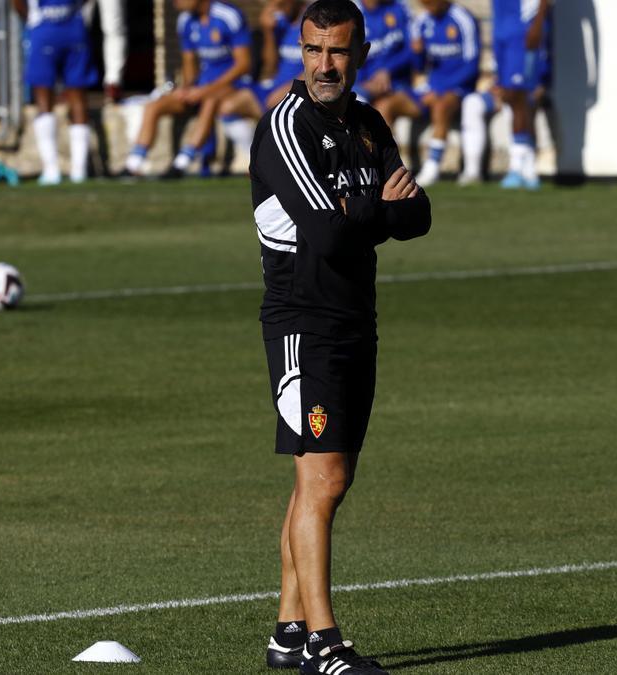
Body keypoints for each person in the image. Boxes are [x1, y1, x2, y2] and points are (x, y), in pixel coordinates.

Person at [250, 1, 430, 672]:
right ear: (299, 50)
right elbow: (324, 233)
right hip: (305, 324)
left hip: (358, 319)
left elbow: (419, 215)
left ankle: (287, 631)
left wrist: (372, 211)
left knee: (328, 478)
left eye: (338, 51)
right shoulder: (285, 126)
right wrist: (379, 208)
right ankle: (326, 642)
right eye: (314, 50)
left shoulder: (367, 122)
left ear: (360, 53)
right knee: (319, 475)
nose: (325, 65)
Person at [120, 0, 251, 177]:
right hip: (201, 86)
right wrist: (186, 88)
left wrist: (205, 90)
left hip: (232, 85)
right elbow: (189, 62)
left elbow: (243, 64)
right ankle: (133, 164)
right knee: (154, 106)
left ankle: (181, 163)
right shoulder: (185, 20)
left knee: (210, 101)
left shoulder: (228, 16)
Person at [457, 0, 552, 187]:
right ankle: (527, 167)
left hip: (523, 27)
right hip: (502, 26)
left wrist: (537, 24)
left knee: (519, 95)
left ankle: (520, 166)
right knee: (511, 95)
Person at [14, 0, 100, 185]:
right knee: (69, 96)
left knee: (58, 97)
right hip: (65, 27)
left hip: (54, 27)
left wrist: (31, 17)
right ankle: (67, 169)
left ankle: (66, 169)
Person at [215, 0, 306, 158]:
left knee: (275, 107)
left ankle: (279, 155)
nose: (279, 11)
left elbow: (317, 66)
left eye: (282, 5)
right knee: (227, 107)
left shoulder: (314, 22)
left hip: (301, 89)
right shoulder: (281, 24)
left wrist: (293, 87)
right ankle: (255, 157)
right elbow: (271, 66)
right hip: (274, 87)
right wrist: (268, 31)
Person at [408, 0, 480, 187]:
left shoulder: (463, 19)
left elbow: (472, 66)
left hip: (459, 87)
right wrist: (417, 53)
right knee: (386, 105)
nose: (428, 6)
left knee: (441, 106)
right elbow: (418, 66)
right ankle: (384, 166)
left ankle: (432, 167)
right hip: (431, 87)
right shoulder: (421, 22)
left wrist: (440, 89)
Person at [353, 0, 417, 129]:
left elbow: (412, 49)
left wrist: (388, 70)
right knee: (354, 101)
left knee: (382, 108)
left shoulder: (400, 7)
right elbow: (351, 55)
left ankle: (384, 149)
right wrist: (364, 82)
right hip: (364, 84)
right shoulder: (351, 12)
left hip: (398, 83)